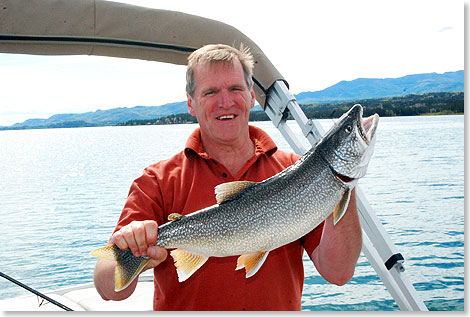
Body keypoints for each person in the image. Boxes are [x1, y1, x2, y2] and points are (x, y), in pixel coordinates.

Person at [93, 44, 362, 311]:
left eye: (235, 89)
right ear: (191, 104)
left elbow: (338, 273)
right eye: (211, 92)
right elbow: (107, 288)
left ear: (251, 96)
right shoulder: (158, 180)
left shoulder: (297, 173)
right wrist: (134, 248)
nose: (226, 101)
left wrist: (341, 184)